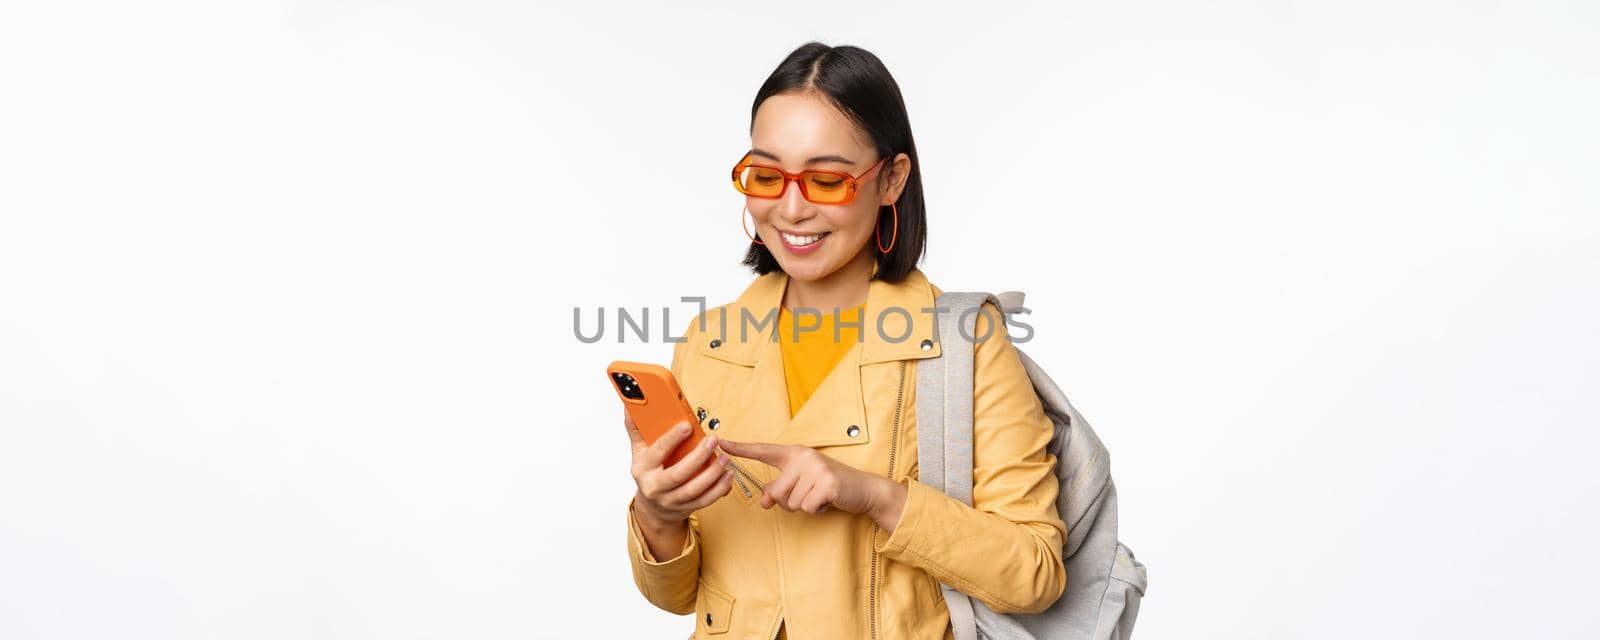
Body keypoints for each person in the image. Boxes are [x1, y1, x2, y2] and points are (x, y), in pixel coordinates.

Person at [621, 41, 1067, 639]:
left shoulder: (965, 341)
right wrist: (657, 513)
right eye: (767, 175)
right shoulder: (709, 341)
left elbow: (1036, 575)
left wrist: (876, 496)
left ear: (891, 179)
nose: (792, 208)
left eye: (827, 179)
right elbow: (678, 596)